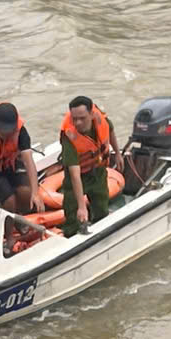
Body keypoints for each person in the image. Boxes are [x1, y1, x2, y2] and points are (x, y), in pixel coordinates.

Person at [58, 94, 121, 237]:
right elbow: (74, 174)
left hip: (97, 171)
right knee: (72, 212)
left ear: (92, 115)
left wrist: (117, 152)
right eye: (75, 119)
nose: (78, 123)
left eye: (82, 118)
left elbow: (110, 131)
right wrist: (81, 207)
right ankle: (71, 234)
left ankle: (102, 230)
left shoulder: (100, 120)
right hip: (78, 177)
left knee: (101, 206)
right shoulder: (69, 136)